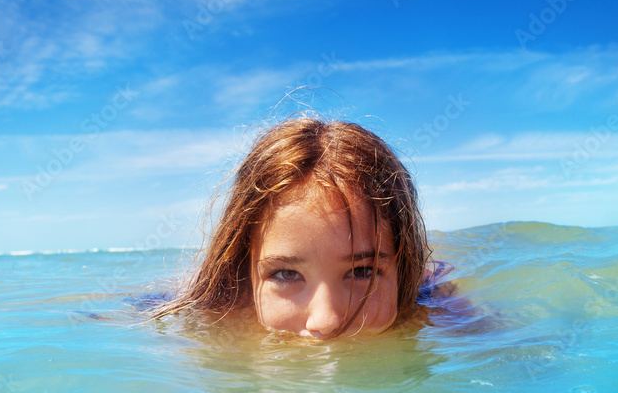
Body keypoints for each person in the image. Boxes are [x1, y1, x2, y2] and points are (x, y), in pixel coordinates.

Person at [147, 116, 447, 339]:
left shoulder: (430, 306)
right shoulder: (216, 312)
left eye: (362, 271)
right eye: (286, 274)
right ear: (244, 271)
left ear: (403, 270)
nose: (326, 321)